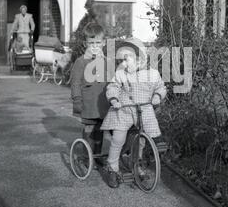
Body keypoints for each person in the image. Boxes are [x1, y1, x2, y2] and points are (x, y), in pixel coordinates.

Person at [100, 37, 167, 188]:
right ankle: (112, 168)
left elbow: (161, 87)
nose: (123, 63)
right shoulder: (121, 74)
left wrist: (157, 96)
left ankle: (143, 155)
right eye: (122, 60)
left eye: (126, 59)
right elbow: (113, 87)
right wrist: (114, 99)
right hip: (123, 109)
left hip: (142, 109)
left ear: (139, 59)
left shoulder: (152, 74)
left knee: (142, 137)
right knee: (118, 138)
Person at [70, 22, 110, 153]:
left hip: (102, 103)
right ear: (85, 44)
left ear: (103, 43)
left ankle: (97, 155)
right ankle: (88, 156)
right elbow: (75, 83)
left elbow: (112, 81)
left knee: (99, 128)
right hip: (88, 103)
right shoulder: (80, 62)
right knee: (89, 128)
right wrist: (77, 100)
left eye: (97, 43)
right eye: (91, 44)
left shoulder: (106, 62)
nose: (94, 47)